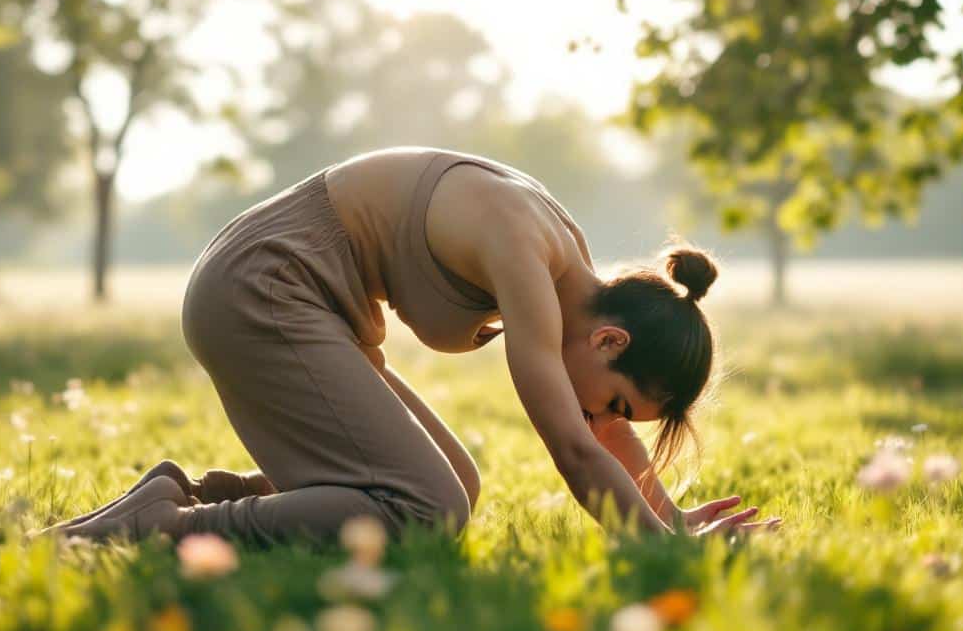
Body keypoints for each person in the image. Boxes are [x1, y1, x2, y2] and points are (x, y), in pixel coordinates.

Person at [39, 146, 780, 546]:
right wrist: (655, 547)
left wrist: (668, 517)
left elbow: (602, 429)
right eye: (616, 397)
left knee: (456, 482)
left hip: (311, 303)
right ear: (610, 338)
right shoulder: (528, 254)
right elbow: (576, 446)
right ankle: (164, 531)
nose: (605, 415)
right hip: (263, 287)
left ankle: (187, 496)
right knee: (428, 508)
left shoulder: (570, 278)